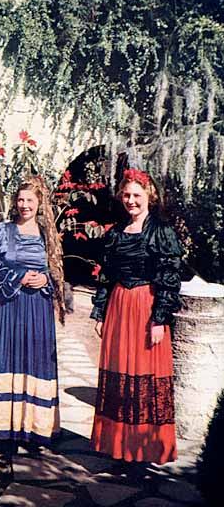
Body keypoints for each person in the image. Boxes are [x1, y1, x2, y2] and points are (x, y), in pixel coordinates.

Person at [91, 168, 182, 465]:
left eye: (137, 195)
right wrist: (100, 313)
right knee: (119, 373)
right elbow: (106, 275)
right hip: (119, 307)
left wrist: (160, 319)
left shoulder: (162, 231)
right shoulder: (116, 233)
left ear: (149, 197)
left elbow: (169, 276)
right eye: (126, 195)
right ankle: (117, 445)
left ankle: (144, 448)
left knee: (145, 374)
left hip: (146, 306)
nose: (131, 201)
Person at [0, 176, 65, 448]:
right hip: (10, 308)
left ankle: (34, 429)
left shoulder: (47, 234)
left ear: (39, 203)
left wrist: (46, 280)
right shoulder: (2, 232)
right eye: (20, 200)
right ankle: (6, 429)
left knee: (36, 362)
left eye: (30, 200)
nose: (24, 205)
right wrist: (19, 277)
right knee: (10, 359)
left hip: (38, 309)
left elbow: (58, 274)